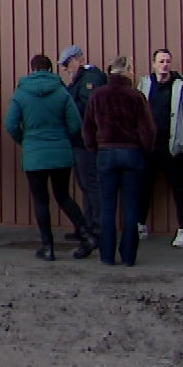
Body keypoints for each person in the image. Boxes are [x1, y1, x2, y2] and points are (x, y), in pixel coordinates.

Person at [6, 54, 94, 260]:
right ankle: (86, 236)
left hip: (34, 154)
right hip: (60, 152)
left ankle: (48, 247)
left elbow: (10, 124)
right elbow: (75, 124)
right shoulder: (61, 92)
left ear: (33, 69)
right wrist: (63, 139)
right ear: (50, 69)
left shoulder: (21, 93)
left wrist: (24, 141)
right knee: (63, 196)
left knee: (41, 201)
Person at [82, 57, 155, 267]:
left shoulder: (97, 95)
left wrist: (95, 148)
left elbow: (87, 127)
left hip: (106, 152)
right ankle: (129, 256)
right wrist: (144, 150)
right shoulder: (136, 96)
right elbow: (148, 129)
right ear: (127, 71)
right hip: (132, 152)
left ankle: (107, 255)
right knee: (131, 207)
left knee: (107, 207)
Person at [138, 48, 183, 248]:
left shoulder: (181, 86)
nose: (164, 65)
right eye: (161, 61)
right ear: (153, 64)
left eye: (167, 61)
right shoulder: (145, 84)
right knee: (144, 186)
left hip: (172, 147)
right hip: (150, 146)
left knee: (178, 188)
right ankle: (140, 225)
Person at [59, 45, 108, 237]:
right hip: (79, 141)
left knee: (91, 184)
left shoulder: (90, 79)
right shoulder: (79, 80)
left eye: (67, 63)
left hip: (87, 141)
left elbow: (90, 108)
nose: (64, 68)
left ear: (78, 60)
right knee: (85, 184)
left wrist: (68, 107)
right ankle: (88, 226)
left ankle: (98, 227)